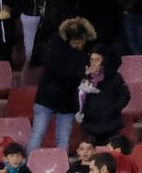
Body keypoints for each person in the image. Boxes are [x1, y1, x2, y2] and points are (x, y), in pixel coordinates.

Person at [30, 17, 94, 151]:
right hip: (47, 98)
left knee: (63, 139)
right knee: (37, 135)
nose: (78, 45)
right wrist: (82, 71)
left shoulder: (88, 51)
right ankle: (29, 168)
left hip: (67, 103)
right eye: (75, 42)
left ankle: (62, 168)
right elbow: (57, 70)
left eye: (80, 42)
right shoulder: (55, 47)